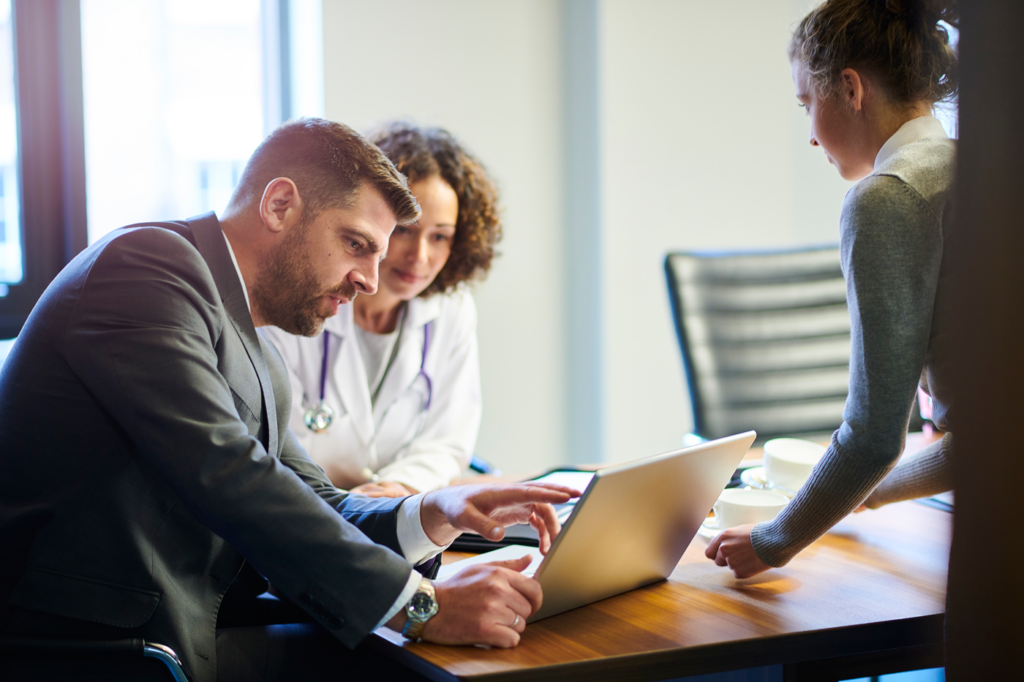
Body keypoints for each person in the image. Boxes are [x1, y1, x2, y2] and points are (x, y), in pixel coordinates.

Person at [0, 118, 578, 682]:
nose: (370, 281)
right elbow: (227, 473)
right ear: (279, 206)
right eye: (356, 244)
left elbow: (316, 498)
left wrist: (434, 511)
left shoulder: (248, 334)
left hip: (197, 620)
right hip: (95, 645)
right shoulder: (145, 269)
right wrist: (422, 606)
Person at [706, 0, 958, 578]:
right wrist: (855, 496)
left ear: (850, 88)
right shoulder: (976, 170)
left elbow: (873, 435)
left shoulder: (889, 197)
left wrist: (773, 540)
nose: (813, 139)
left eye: (806, 104)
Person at [265, 123, 501, 497]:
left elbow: (447, 442)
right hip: (308, 517)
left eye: (440, 236)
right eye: (406, 230)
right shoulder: (297, 304)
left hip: (402, 512)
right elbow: (276, 447)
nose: (419, 257)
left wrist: (398, 488)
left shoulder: (451, 311)